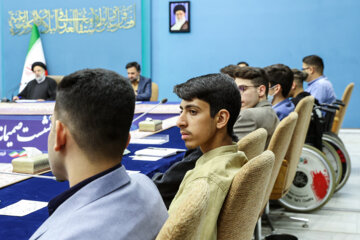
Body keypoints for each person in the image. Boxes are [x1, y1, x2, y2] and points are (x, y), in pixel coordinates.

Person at [30, 69, 167, 240]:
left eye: (51, 126)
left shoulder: (61, 235)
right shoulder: (148, 187)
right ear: (127, 141)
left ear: (60, 135)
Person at [168, 73, 248, 240]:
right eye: (181, 111)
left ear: (221, 119)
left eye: (193, 112)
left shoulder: (204, 182)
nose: (180, 122)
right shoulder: (235, 156)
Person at [233, 67, 279, 146]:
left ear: (261, 90)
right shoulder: (270, 112)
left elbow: (231, 155)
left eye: (242, 88)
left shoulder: (247, 115)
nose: (236, 95)